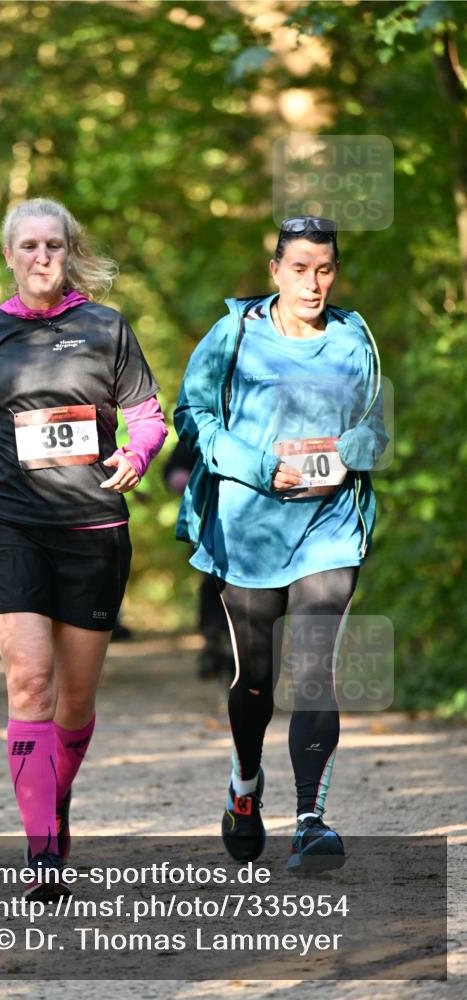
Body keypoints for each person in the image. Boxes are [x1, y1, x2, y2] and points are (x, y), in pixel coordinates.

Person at [0, 197, 166, 896]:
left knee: (75, 703)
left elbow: (148, 415)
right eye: (27, 246)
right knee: (30, 682)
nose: (40, 257)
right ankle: (42, 850)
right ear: (8, 255)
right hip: (8, 525)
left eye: (52, 245)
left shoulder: (105, 328)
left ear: (69, 250)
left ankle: (53, 797)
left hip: (92, 531)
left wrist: (138, 454)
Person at [174, 216, 388, 873]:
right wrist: (259, 465)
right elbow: (192, 416)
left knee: (315, 670)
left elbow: (374, 426)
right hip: (249, 530)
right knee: (255, 681)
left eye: (324, 269)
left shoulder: (353, 337)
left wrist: (346, 453)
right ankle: (244, 785)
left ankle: (309, 822)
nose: (313, 283)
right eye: (299, 268)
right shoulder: (233, 333)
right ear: (275, 271)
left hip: (329, 529)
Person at [163, 440, 235, 682]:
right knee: (211, 581)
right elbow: (171, 469)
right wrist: (179, 478)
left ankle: (238, 642)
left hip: (249, 520)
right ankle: (212, 639)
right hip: (206, 521)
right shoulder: (200, 426)